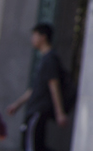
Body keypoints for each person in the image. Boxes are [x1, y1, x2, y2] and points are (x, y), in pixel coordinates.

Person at [6, 22, 68, 151]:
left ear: (43, 37)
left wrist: (59, 112)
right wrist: (17, 104)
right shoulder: (44, 59)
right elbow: (34, 88)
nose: (32, 39)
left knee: (32, 146)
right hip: (35, 110)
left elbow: (53, 85)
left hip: (39, 110)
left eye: (34, 35)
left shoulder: (50, 59)